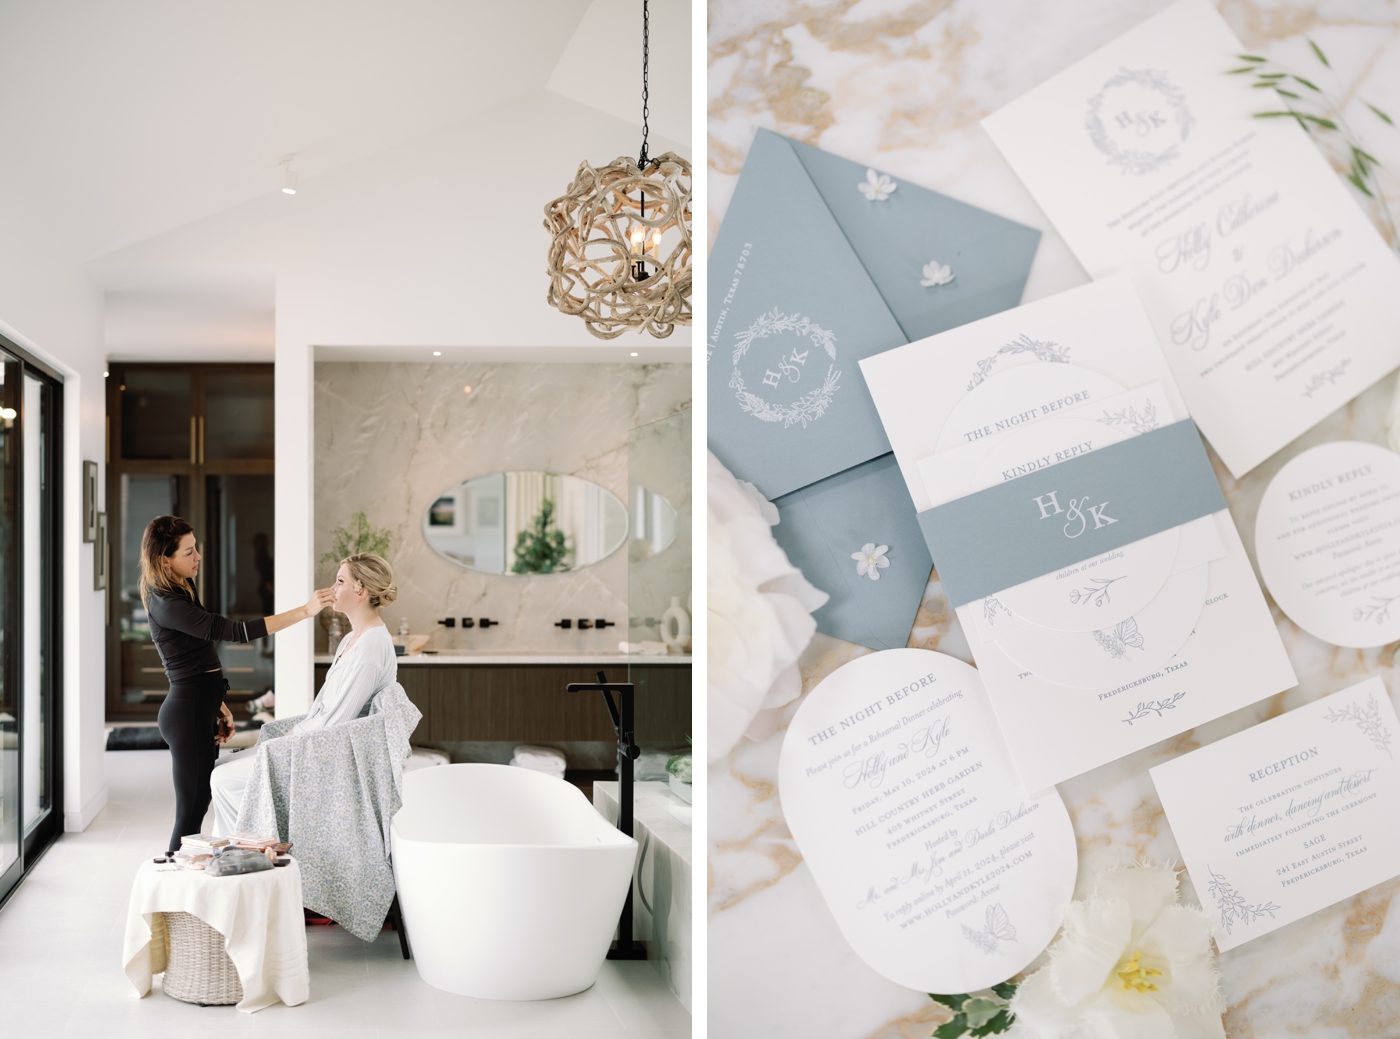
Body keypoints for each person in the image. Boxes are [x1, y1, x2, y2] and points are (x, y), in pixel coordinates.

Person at [141, 515, 332, 855]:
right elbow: (236, 632)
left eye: (195, 548)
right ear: (164, 560)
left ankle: (184, 884)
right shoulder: (167, 603)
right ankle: (170, 890)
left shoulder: (177, 592)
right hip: (186, 713)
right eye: (188, 551)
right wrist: (305, 611)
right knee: (190, 813)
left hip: (197, 709)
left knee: (198, 805)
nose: (197, 557)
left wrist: (218, 702)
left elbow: (194, 660)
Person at [209, 553, 399, 837]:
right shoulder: (351, 638)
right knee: (224, 766)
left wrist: (290, 738)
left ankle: (248, 849)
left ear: (361, 591)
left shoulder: (369, 649)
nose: (332, 588)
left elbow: (335, 725)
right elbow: (322, 709)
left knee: (223, 778)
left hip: (329, 753)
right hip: (314, 740)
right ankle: (242, 845)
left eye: (340, 581)